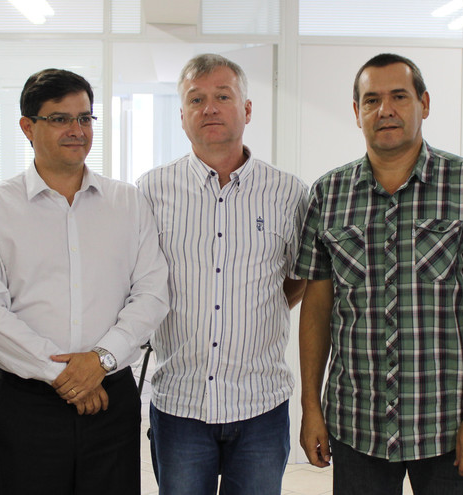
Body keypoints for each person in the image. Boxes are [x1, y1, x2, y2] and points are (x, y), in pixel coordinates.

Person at [295, 53, 463, 495]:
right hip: (357, 422)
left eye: (399, 96)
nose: (385, 110)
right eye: (371, 100)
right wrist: (311, 406)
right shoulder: (328, 194)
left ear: (424, 104)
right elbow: (317, 308)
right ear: (357, 111)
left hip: (448, 423)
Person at [0, 68, 168, 495]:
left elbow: (151, 293)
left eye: (85, 118)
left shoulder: (128, 202)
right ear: (27, 127)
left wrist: (100, 361)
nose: (77, 130)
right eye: (60, 118)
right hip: (26, 404)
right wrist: (65, 375)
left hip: (110, 399)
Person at [136, 53, 308, 494]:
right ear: (182, 116)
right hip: (180, 404)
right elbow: (138, 282)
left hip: (261, 405)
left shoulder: (288, 192)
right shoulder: (151, 191)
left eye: (223, 96)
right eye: (196, 99)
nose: (209, 108)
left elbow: (298, 276)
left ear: (247, 110)